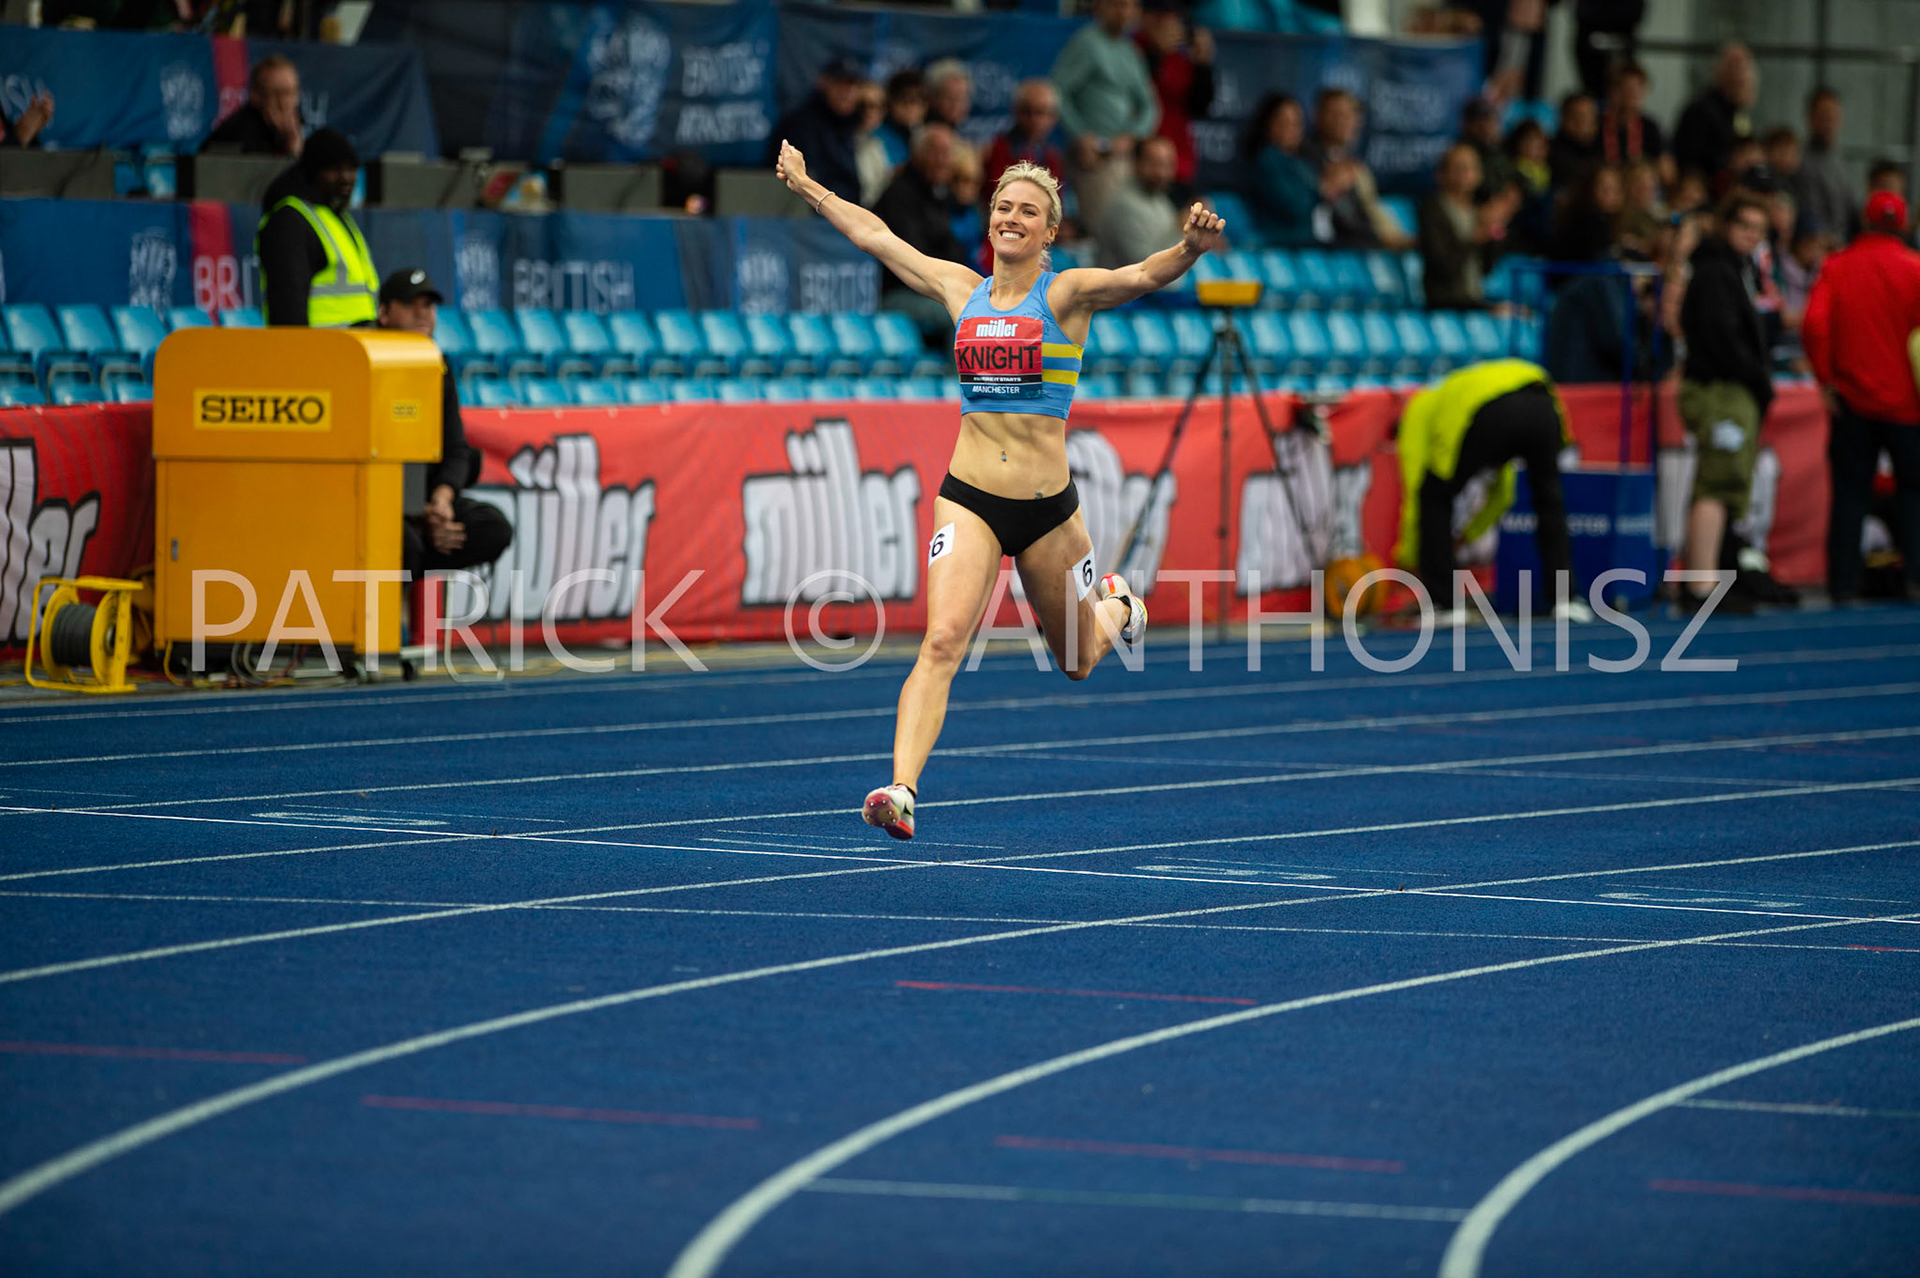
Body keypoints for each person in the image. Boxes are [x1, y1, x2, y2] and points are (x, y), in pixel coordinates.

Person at [771, 141, 1224, 838]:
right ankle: (900, 789)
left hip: (1047, 512)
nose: (1013, 217)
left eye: (1029, 212)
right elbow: (877, 237)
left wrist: (1188, 250)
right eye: (1003, 207)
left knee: (1076, 661)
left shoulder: (1066, 294)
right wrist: (809, 188)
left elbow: (1140, 274)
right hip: (970, 496)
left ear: (1050, 231)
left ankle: (1121, 604)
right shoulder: (961, 288)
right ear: (990, 220)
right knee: (943, 639)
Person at [1392, 359, 1592, 624]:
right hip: (1543, 400)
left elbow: (1417, 491)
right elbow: (1502, 495)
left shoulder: (1417, 412)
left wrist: (1411, 554)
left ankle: (1446, 603)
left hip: (1491, 411)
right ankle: (1565, 600)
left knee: (1434, 496)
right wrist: (1467, 535)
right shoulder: (1463, 393)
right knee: (1549, 500)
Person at [1802, 191, 1920, 604]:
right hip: (1907, 404)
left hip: (1851, 399)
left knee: (1850, 493)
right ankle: (1915, 580)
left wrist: (1826, 379)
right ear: (1903, 225)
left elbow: (1815, 325)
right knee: (1914, 491)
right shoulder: (1915, 269)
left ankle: (1844, 585)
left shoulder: (1837, 266)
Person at [374, 270, 514, 581]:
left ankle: (417, 560)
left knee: (492, 527)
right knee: (403, 544)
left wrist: (441, 500)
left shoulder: (438, 365)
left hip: (424, 501)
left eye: (429, 306)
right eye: (411, 304)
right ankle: (389, 620)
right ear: (384, 313)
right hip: (377, 500)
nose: (422, 313)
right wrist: (415, 513)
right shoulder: (365, 362)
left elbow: (456, 448)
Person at [1677, 195, 1774, 611]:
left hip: (1729, 387)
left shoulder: (1734, 269)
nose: (1750, 236)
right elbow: (1720, 335)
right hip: (1721, 388)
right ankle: (1700, 586)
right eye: (1744, 226)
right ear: (1725, 226)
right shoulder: (1717, 271)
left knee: (1728, 485)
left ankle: (1716, 576)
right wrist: (1754, 374)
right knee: (1716, 483)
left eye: (1758, 229)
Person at [1052, 0, 1161, 226]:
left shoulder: (1130, 51)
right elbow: (1058, 92)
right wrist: (1080, 135)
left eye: (1130, 6)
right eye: (1118, 5)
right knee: (1104, 227)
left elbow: (1150, 107)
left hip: (1124, 156)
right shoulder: (1086, 43)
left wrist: (1133, 136)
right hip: (1094, 158)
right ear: (1100, 7)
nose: (1124, 13)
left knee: (1129, 224)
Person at [255, 128, 376, 328]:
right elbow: (288, 305)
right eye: (335, 169)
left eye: (351, 169)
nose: (346, 178)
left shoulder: (337, 217)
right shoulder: (290, 221)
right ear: (313, 172)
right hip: (318, 352)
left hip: (354, 351)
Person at [872, 124, 972, 338]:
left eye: (948, 153)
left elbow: (955, 253)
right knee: (960, 317)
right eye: (936, 152)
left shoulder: (940, 195)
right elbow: (914, 262)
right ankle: (959, 373)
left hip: (934, 291)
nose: (944, 160)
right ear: (917, 154)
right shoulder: (898, 196)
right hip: (898, 294)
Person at [1303, 88, 1410, 250]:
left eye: (1350, 115)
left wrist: (1396, 238)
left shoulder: (1356, 166)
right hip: (1336, 250)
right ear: (1317, 116)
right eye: (1335, 114)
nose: (1343, 121)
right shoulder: (1306, 158)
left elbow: (1372, 208)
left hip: (1367, 246)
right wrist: (1328, 186)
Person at [1418, 143, 1518, 311]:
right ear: (1442, 174)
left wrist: (1497, 227)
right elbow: (1443, 265)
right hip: (1446, 304)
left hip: (1474, 299)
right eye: (1460, 168)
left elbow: (1486, 267)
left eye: (1472, 167)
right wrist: (1476, 236)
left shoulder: (1478, 212)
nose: (1467, 174)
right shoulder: (1433, 209)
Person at [1135, 0, 1214, 196]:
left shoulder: (1181, 58)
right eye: (1159, 17)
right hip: (1144, 163)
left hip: (1179, 160)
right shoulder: (1132, 48)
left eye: (1171, 18)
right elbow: (1135, 93)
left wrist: (1203, 65)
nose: (1166, 24)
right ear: (1143, 17)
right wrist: (1155, 54)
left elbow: (1200, 106)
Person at [767, 58, 865, 207]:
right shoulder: (800, 125)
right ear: (823, 83)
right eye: (840, 84)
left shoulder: (853, 124)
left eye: (852, 85)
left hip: (846, 212)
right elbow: (805, 184)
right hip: (813, 217)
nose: (847, 92)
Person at [1672, 43, 1757, 189]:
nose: (1743, 77)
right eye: (1735, 69)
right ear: (1719, 73)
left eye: (1745, 70)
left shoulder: (1738, 113)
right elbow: (1692, 162)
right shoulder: (1701, 111)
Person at [1241, 93, 1320, 246]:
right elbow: (1296, 206)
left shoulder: (1302, 162)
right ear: (1268, 124)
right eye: (1283, 123)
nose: (1290, 130)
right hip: (1276, 244)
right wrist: (1322, 191)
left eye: (1296, 124)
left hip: (1305, 244)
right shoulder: (1267, 159)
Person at [1095, 135, 1183, 268]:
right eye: (1154, 163)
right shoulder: (1124, 206)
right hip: (1123, 288)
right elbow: (1145, 268)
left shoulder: (1161, 200)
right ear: (1136, 163)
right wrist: (1181, 229)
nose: (1161, 173)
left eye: (1167, 165)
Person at [983, 80, 1068, 208]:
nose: (1033, 119)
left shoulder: (1052, 157)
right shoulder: (998, 150)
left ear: (1053, 117)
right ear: (1016, 112)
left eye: (1040, 112)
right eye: (1027, 111)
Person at [202, 55, 305, 157]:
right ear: (256, 96)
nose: (284, 103)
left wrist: (293, 145)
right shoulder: (239, 133)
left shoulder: (288, 132)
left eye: (290, 93)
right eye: (276, 94)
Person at [1790, 88, 1856, 243]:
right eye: (1824, 116)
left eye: (1833, 116)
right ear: (1810, 118)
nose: (1829, 122)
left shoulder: (1842, 162)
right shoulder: (1798, 160)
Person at [1599, 59, 1667, 181]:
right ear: (1612, 90)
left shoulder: (1650, 127)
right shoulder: (1596, 125)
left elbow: (1666, 171)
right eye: (1626, 89)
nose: (1631, 95)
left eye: (1636, 89)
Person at [1548, 91, 1602, 192]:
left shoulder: (1603, 150)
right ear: (1563, 119)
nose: (1584, 123)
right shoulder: (1549, 152)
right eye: (1579, 116)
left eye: (1589, 116)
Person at [853, 80, 894, 208]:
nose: (868, 112)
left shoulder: (877, 145)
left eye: (875, 106)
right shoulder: (839, 142)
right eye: (862, 105)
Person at [877, 70, 927, 170]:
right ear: (891, 102)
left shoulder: (926, 135)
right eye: (905, 99)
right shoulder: (877, 137)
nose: (911, 107)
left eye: (919, 100)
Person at [924, 60, 974, 136]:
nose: (955, 105)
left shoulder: (958, 135)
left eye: (962, 98)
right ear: (932, 98)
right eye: (949, 98)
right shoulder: (931, 137)